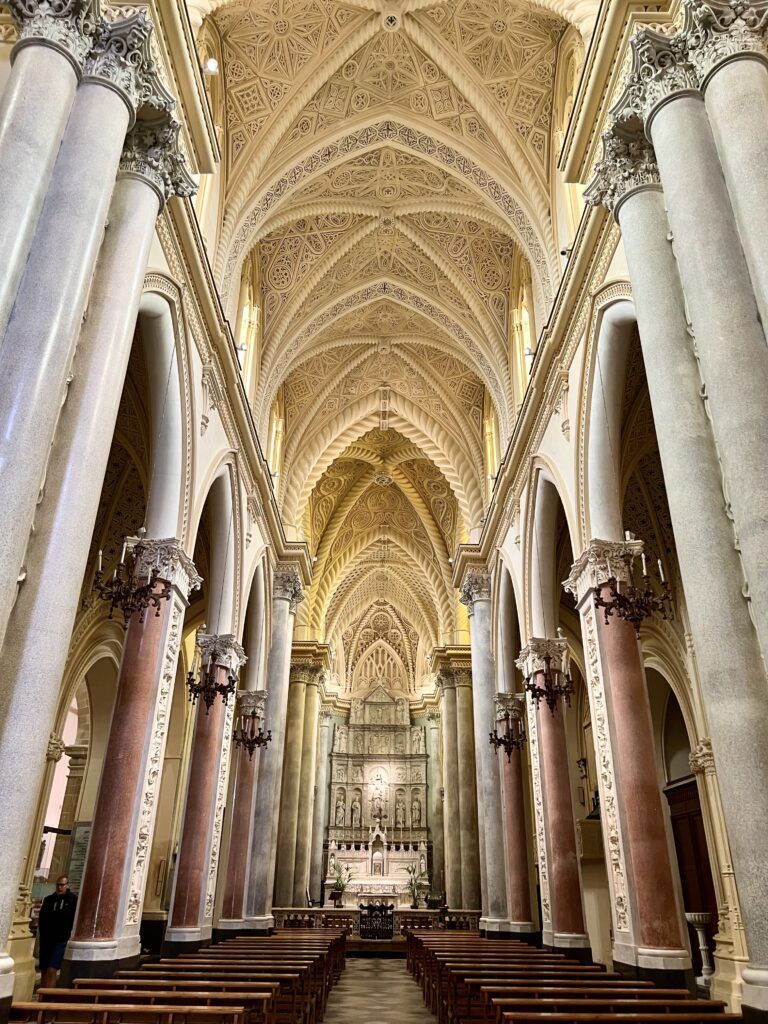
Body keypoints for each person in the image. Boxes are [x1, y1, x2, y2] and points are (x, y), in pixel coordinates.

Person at [38, 876, 77, 989]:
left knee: (52, 969)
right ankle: (42, 996)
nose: (60, 887)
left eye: (62, 885)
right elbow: (42, 918)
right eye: (58, 885)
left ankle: (49, 998)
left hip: (61, 939)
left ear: (67, 885)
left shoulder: (72, 900)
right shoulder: (49, 900)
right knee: (44, 970)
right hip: (46, 939)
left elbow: (73, 919)